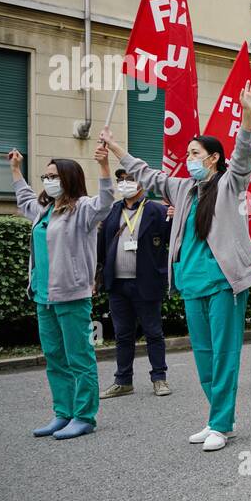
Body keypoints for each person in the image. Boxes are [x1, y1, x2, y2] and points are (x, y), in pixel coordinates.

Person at [98, 81, 251, 452]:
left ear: (213, 159)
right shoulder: (183, 189)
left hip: (224, 283)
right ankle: (220, 417)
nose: (188, 158)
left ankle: (221, 423)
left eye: (194, 153)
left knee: (224, 354)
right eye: (187, 152)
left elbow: (243, 158)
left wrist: (248, 115)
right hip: (192, 283)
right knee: (204, 355)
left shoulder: (227, 185)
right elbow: (145, 174)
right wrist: (114, 147)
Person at [11, 146, 114, 439]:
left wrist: (104, 166)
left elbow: (106, 201)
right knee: (55, 356)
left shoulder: (83, 209)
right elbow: (25, 199)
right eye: (45, 175)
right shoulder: (43, 210)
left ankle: (84, 416)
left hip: (72, 294)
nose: (48, 180)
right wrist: (16, 170)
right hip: (43, 297)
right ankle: (63, 413)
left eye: (53, 175)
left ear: (68, 178)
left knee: (79, 357)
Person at [97, 168, 171, 398]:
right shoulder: (113, 211)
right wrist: (98, 275)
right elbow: (102, 244)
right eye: (121, 180)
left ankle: (159, 378)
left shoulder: (157, 210)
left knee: (153, 332)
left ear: (142, 185)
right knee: (122, 334)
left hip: (146, 282)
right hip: (118, 284)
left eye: (129, 180)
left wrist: (174, 217)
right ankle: (123, 380)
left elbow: (171, 240)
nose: (124, 184)